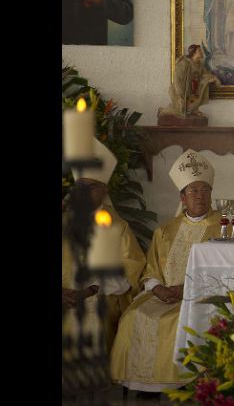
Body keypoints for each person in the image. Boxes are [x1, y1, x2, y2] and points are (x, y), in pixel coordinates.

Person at [110, 149, 221, 393]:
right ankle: (141, 387)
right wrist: (158, 288)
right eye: (193, 191)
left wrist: (185, 289)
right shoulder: (165, 231)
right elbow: (150, 270)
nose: (200, 196)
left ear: (212, 194)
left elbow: (224, 273)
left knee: (174, 321)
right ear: (182, 197)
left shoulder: (223, 229)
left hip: (199, 296)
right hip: (162, 295)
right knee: (132, 316)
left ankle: (181, 385)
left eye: (205, 190)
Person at [62, 138, 147, 353]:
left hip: (99, 295)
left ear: (105, 189)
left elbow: (129, 273)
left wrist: (89, 289)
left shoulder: (119, 228)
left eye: (91, 187)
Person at [158, 44, 220, 122]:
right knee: (179, 111)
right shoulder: (184, 63)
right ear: (193, 53)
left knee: (190, 106)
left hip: (192, 91)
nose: (201, 52)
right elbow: (177, 80)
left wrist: (213, 78)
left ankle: (193, 111)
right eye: (199, 51)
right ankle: (162, 111)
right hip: (180, 91)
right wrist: (180, 96)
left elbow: (204, 75)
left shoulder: (199, 64)